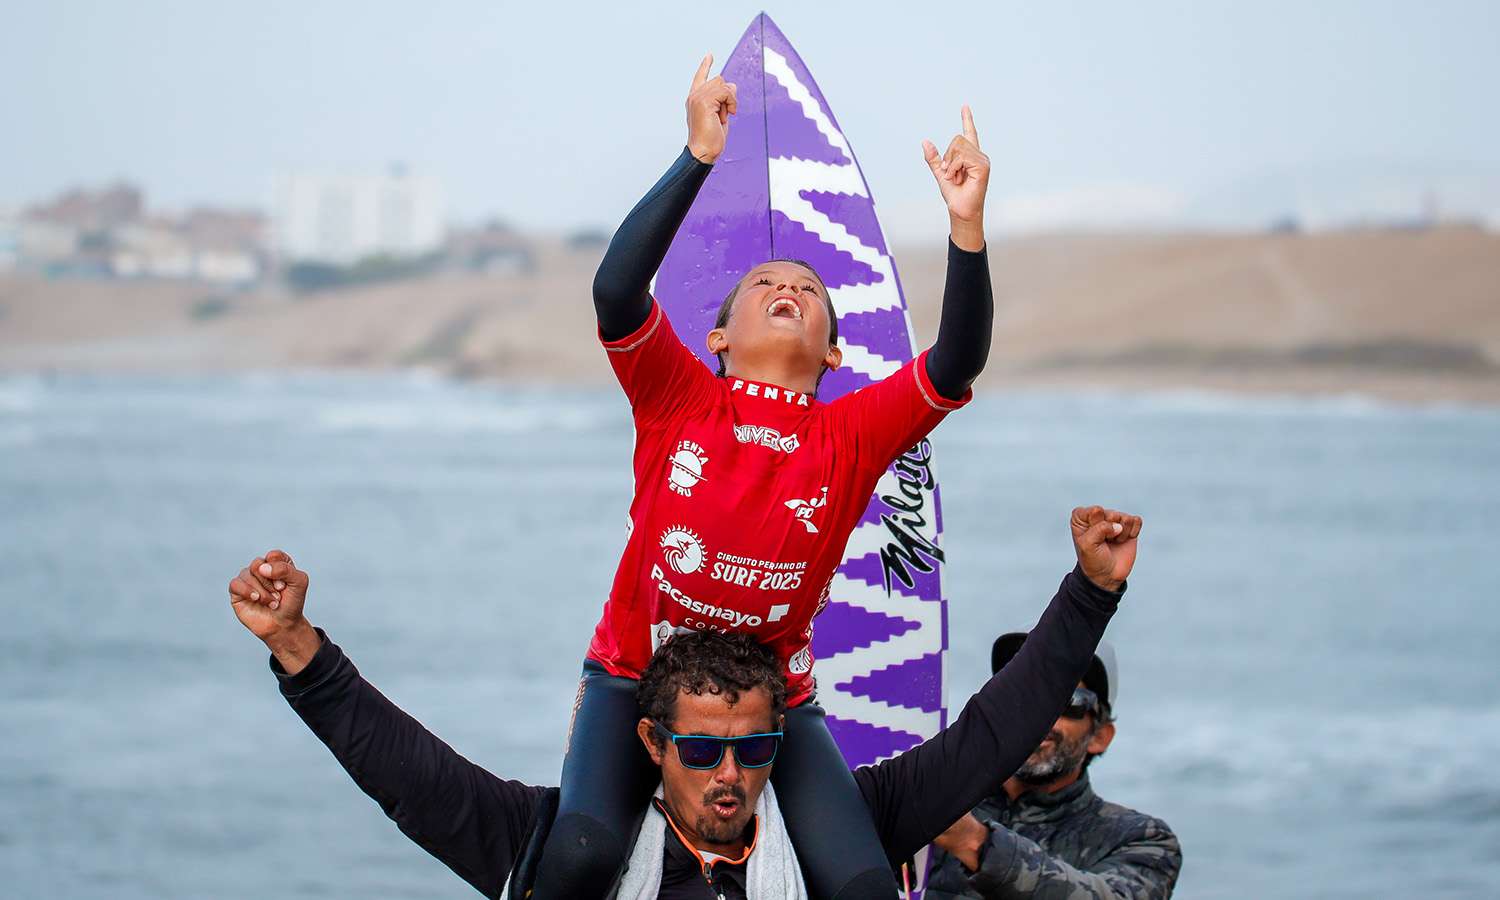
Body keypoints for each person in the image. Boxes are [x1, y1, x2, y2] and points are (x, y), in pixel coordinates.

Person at [547, 50, 995, 899]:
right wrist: (697, 158)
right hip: (633, 675)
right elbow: (615, 289)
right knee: (577, 859)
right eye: (763, 283)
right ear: (717, 339)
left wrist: (965, 229)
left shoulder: (855, 433)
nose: (787, 284)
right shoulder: (675, 396)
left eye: (806, 287)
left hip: (771, 704)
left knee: (864, 886)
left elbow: (959, 356)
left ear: (833, 349)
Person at [224, 506, 1141, 899]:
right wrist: (299, 649)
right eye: (702, 751)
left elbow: (990, 736)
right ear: (653, 745)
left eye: (754, 748)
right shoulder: (562, 845)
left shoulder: (844, 834)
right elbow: (409, 778)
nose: (731, 774)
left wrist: (1089, 593)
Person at [925, 632, 1181, 899]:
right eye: (1020, 694)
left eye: (1067, 700)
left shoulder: (1143, 841)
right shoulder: (928, 801)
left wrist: (974, 842)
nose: (1039, 714)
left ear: (1100, 736)